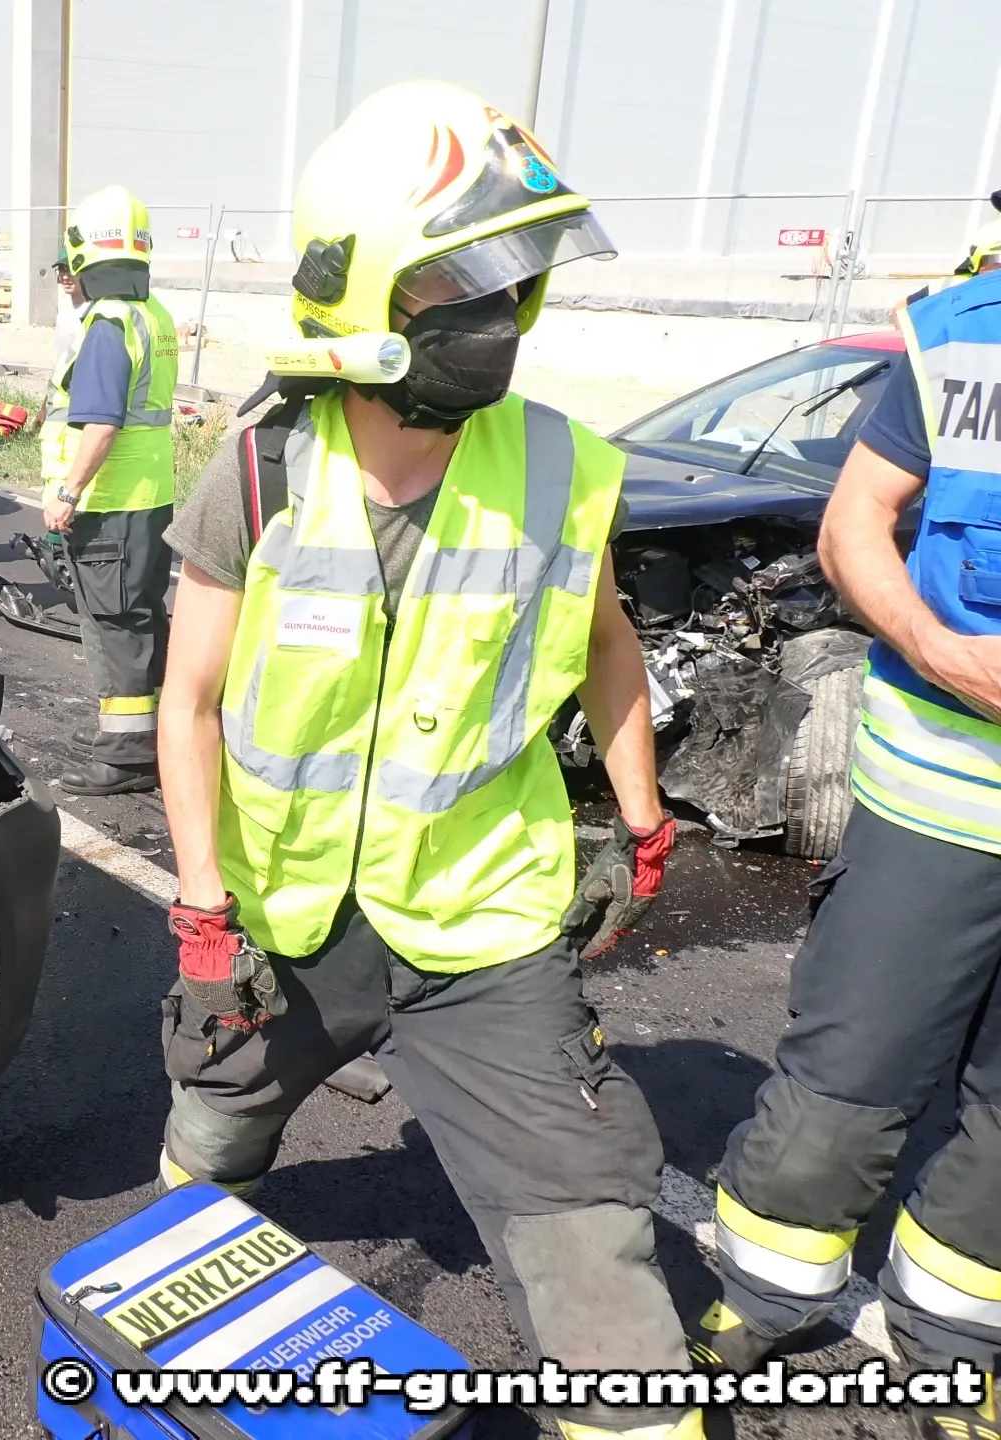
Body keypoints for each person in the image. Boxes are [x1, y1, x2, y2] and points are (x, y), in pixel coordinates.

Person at [155, 82, 697, 1440]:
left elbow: (606, 643)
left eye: (513, 283)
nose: (498, 317)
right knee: (215, 1127)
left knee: (589, 1234)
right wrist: (205, 911)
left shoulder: (564, 468)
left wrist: (642, 820)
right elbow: (190, 701)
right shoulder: (262, 469)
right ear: (367, 297)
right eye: (462, 285)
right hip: (283, 920)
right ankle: (179, 1289)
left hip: (481, 920)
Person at [686, 255, 1001, 1440]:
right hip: (941, 795)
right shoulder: (962, 339)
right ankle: (764, 1295)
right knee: (849, 1074)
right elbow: (854, 524)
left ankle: (956, 1339)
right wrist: (938, 648)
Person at [39, 188, 179, 797]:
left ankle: (127, 755)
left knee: (115, 624)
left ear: (81, 253)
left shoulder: (108, 323)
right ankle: (150, 733)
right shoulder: (154, 314)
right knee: (141, 615)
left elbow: (101, 422)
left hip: (109, 500)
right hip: (147, 495)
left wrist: (68, 492)